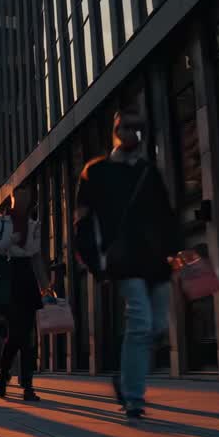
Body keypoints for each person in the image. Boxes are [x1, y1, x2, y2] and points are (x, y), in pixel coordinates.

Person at [76, 108, 179, 420]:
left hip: (156, 261)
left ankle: (125, 378)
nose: (132, 133)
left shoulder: (148, 171)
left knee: (157, 326)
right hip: (123, 260)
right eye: (126, 128)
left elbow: (166, 215)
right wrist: (96, 264)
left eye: (138, 128)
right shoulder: (97, 171)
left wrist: (176, 250)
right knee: (140, 323)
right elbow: (83, 223)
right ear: (115, 131)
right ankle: (133, 398)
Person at [0, 179, 45, 402]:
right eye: (20, 196)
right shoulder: (1, 221)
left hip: (27, 277)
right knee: (16, 335)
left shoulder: (33, 223)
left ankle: (27, 385)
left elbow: (35, 255)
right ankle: (5, 374)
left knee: (28, 336)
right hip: (10, 275)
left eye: (27, 196)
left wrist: (45, 283)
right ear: (13, 198)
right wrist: (11, 239)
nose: (24, 200)